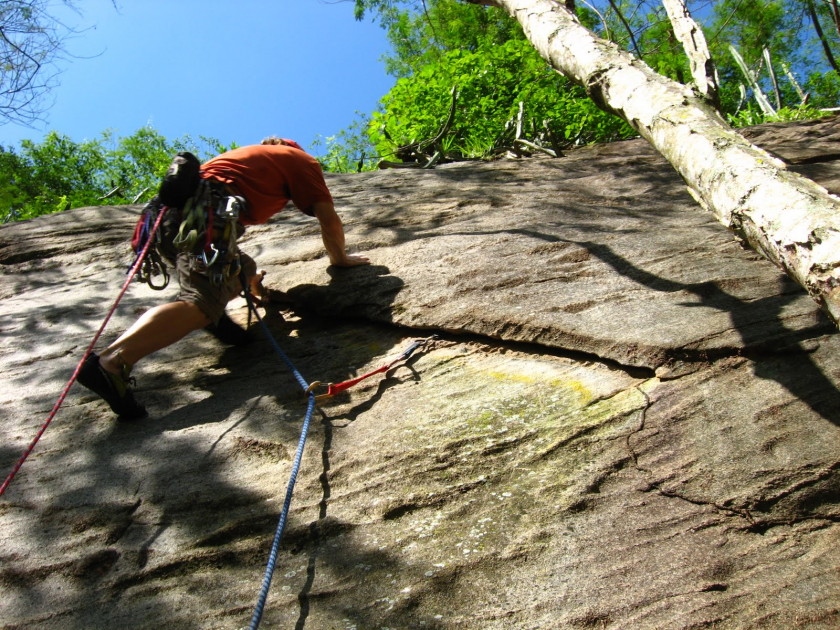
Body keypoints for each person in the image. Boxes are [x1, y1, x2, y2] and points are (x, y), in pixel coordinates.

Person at [77, 137, 370, 419]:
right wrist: (339, 259)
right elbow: (327, 216)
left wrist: (253, 285)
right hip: (202, 219)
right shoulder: (300, 159)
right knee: (200, 301)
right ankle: (112, 362)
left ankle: (216, 315)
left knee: (242, 267)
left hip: (167, 221)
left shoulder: (241, 159)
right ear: (292, 147)